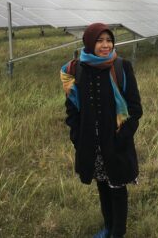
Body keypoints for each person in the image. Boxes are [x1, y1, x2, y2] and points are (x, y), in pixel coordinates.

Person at [60, 23, 143, 238]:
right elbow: (72, 108)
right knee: (103, 187)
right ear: (89, 43)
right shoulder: (75, 70)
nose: (105, 45)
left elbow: (135, 109)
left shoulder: (121, 67)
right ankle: (108, 227)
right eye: (100, 41)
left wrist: (122, 138)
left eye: (109, 40)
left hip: (116, 143)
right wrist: (77, 137)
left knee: (117, 188)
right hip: (91, 145)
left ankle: (117, 233)